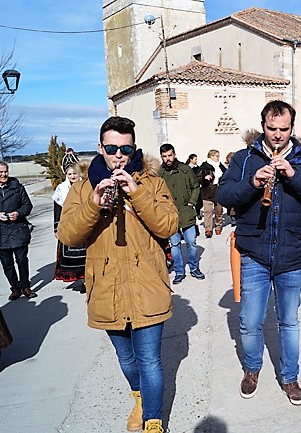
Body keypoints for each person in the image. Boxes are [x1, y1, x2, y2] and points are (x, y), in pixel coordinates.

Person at [57, 116, 179, 432]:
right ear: (101, 148)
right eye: (111, 148)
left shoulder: (152, 183)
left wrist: (136, 193)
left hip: (147, 285)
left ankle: (153, 419)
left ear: (133, 148)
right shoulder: (83, 188)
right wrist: (94, 203)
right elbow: (68, 234)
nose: (118, 155)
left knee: (150, 360)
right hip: (105, 289)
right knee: (127, 359)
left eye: (125, 148)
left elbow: (168, 225)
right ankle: (139, 397)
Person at [217, 100, 301, 405]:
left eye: (284, 129)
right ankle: (252, 369)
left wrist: (293, 175)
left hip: (291, 254)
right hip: (253, 252)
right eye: (271, 128)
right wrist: (253, 183)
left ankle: (290, 378)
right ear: (262, 126)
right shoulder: (243, 159)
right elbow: (223, 193)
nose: (277, 135)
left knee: (289, 321)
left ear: (292, 128)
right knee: (250, 321)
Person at [159, 143, 205, 284]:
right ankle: (179, 271)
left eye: (170, 155)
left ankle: (194, 268)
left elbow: (195, 187)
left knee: (191, 242)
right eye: (164, 156)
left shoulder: (185, 170)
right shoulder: (160, 174)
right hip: (170, 215)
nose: (168, 158)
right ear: (161, 157)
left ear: (174, 154)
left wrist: (191, 203)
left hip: (186, 212)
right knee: (175, 244)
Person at [0, 161, 35, 301]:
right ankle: (15, 288)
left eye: (5, 171)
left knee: (21, 260)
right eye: (0, 172)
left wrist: (18, 213)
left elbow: (27, 205)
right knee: (7, 264)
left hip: (18, 230)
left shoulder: (17, 187)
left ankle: (26, 286)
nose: (4, 174)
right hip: (0, 233)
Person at [52, 156, 88, 292]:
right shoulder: (61, 189)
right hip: (69, 225)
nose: (73, 176)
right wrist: (57, 227)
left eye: (75, 173)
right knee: (74, 257)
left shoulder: (85, 185)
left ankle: (87, 280)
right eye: (70, 174)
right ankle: (81, 279)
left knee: (87, 254)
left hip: (84, 223)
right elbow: (57, 210)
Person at [197, 149, 226, 237]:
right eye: (216, 156)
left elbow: (226, 175)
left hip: (219, 191)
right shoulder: (204, 166)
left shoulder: (220, 166)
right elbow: (198, 178)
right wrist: (204, 177)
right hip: (207, 191)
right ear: (211, 156)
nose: (218, 158)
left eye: (218, 156)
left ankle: (218, 227)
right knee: (207, 212)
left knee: (219, 211)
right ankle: (208, 229)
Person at [186, 153, 203, 218]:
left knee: (198, 201)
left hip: (196, 186)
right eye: (195, 159)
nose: (196, 161)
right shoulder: (187, 168)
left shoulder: (197, 168)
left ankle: (197, 212)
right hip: (189, 187)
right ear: (191, 159)